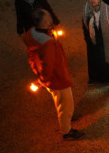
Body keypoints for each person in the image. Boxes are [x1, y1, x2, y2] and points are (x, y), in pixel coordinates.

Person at [21, 9, 84, 141]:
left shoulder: (34, 36)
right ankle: (67, 131)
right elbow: (48, 65)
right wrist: (44, 79)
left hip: (53, 77)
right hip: (57, 78)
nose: (51, 20)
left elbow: (32, 58)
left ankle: (67, 119)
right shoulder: (47, 44)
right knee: (65, 103)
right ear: (44, 22)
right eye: (48, 18)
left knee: (63, 102)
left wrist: (40, 76)